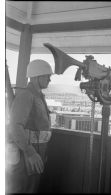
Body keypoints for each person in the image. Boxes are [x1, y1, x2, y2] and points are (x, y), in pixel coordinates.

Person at [6, 59, 53, 193]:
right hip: (26, 155)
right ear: (37, 76)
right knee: (24, 189)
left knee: (31, 188)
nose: (49, 79)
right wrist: (30, 152)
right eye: (47, 76)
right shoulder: (26, 96)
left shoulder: (36, 96)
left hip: (35, 153)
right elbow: (15, 125)